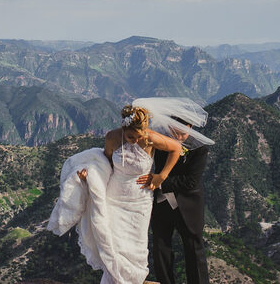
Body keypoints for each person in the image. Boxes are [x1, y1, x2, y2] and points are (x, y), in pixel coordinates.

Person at [47, 102, 182, 284]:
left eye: (139, 136)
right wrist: (89, 176)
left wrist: (162, 176)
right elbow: (105, 165)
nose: (135, 140)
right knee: (113, 243)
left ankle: (135, 279)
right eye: (131, 136)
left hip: (140, 200)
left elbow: (176, 148)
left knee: (136, 244)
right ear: (123, 128)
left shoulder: (150, 138)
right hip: (115, 196)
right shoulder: (112, 138)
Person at [135, 105, 212, 284]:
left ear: (191, 128)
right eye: (174, 131)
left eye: (182, 132)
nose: (177, 136)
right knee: (160, 246)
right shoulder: (161, 140)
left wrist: (159, 181)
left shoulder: (200, 149)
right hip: (161, 203)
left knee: (194, 248)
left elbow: (191, 181)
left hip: (188, 205)